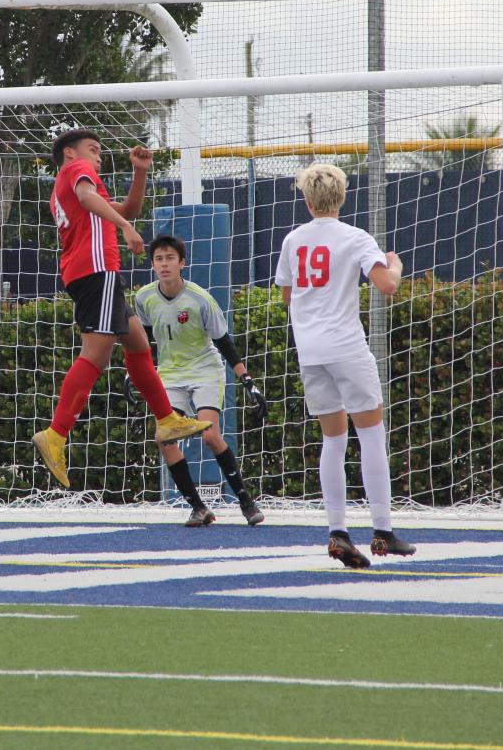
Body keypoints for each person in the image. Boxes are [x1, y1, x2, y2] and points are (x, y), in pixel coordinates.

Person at [31, 129, 211, 488]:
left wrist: (140, 172)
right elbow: (92, 198)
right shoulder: (75, 173)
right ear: (70, 154)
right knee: (95, 356)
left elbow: (126, 208)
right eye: (93, 150)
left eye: (99, 152)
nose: (98, 157)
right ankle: (55, 434)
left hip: (96, 274)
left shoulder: (73, 185)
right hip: (94, 271)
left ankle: (166, 418)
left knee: (138, 344)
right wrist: (127, 227)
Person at [274, 163, 416, 569]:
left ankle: (337, 530)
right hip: (346, 346)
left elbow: (288, 296)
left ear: (306, 198)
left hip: (310, 350)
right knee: (371, 434)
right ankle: (383, 530)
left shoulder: (293, 239)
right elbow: (386, 285)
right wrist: (396, 265)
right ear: (342, 195)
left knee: (333, 440)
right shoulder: (355, 237)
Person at [133, 235, 268, 527]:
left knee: (209, 435)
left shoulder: (200, 299)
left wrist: (247, 380)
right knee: (164, 439)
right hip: (169, 375)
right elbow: (143, 341)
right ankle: (198, 508)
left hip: (205, 370)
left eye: (170, 258)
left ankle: (246, 502)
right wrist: (136, 375)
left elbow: (223, 342)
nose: (164, 264)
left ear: (182, 263)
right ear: (153, 264)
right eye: (159, 259)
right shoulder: (144, 297)